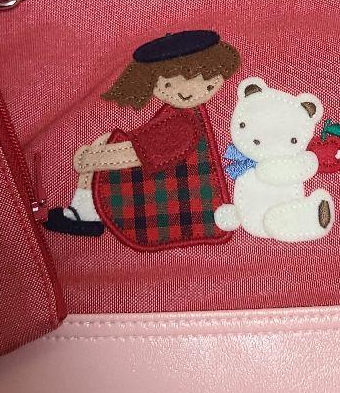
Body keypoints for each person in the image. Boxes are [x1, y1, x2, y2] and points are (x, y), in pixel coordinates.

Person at [45, 30, 241, 250]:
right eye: (169, 84)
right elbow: (147, 146)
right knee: (107, 143)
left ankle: (84, 215)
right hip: (175, 191)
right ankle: (85, 213)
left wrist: (93, 159)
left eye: (204, 80)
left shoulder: (183, 121)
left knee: (106, 145)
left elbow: (141, 154)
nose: (185, 92)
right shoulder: (185, 115)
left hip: (171, 201)